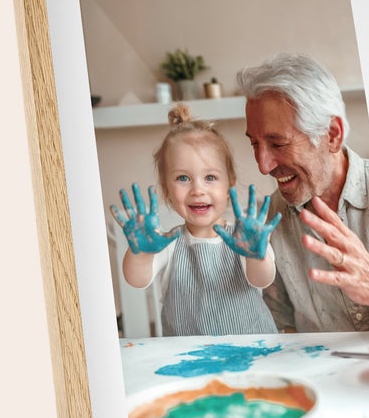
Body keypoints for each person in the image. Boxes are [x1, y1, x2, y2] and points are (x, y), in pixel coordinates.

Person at [237, 53, 369, 333]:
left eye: (278, 144)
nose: (263, 166)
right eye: (254, 144)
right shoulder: (270, 219)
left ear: (332, 134)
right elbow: (282, 329)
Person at [110, 104, 279, 337]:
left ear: (229, 184)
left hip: (252, 350)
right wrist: (141, 255)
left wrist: (256, 256)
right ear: (167, 190)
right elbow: (137, 280)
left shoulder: (246, 239)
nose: (197, 190)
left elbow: (262, 280)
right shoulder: (166, 244)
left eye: (210, 177)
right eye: (183, 178)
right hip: (187, 354)